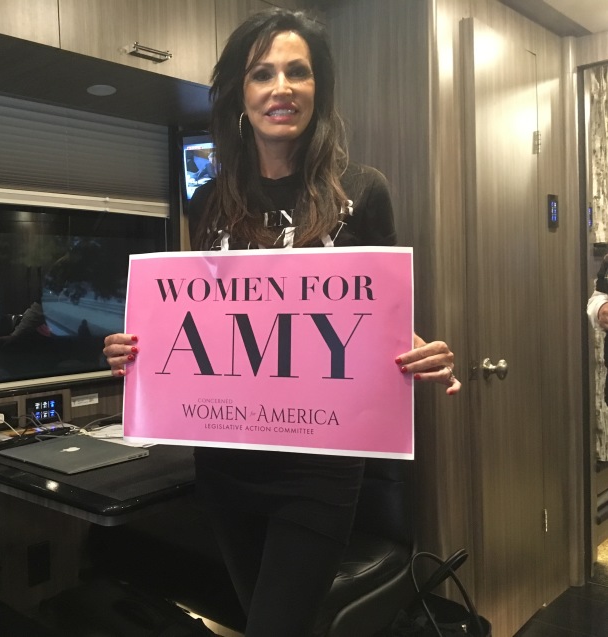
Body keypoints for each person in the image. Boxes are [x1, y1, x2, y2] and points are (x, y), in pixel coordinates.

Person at [103, 8, 461, 636]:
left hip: (319, 467)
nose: (281, 88)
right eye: (262, 73)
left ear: (318, 88)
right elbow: (199, 317)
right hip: (224, 461)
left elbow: (383, 323)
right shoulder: (208, 200)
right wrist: (135, 347)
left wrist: (419, 350)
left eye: (298, 72)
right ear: (241, 94)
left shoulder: (362, 191)